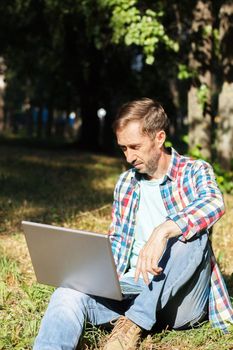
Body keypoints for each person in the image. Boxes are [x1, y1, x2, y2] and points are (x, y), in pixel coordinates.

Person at [33, 98, 233, 350]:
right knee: (67, 292)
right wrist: (92, 273)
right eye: (123, 148)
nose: (129, 157)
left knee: (193, 237)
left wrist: (163, 231)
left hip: (179, 302)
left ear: (159, 138)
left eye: (135, 147)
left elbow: (215, 202)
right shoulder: (126, 182)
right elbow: (118, 242)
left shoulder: (194, 170)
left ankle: (134, 322)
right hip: (130, 290)